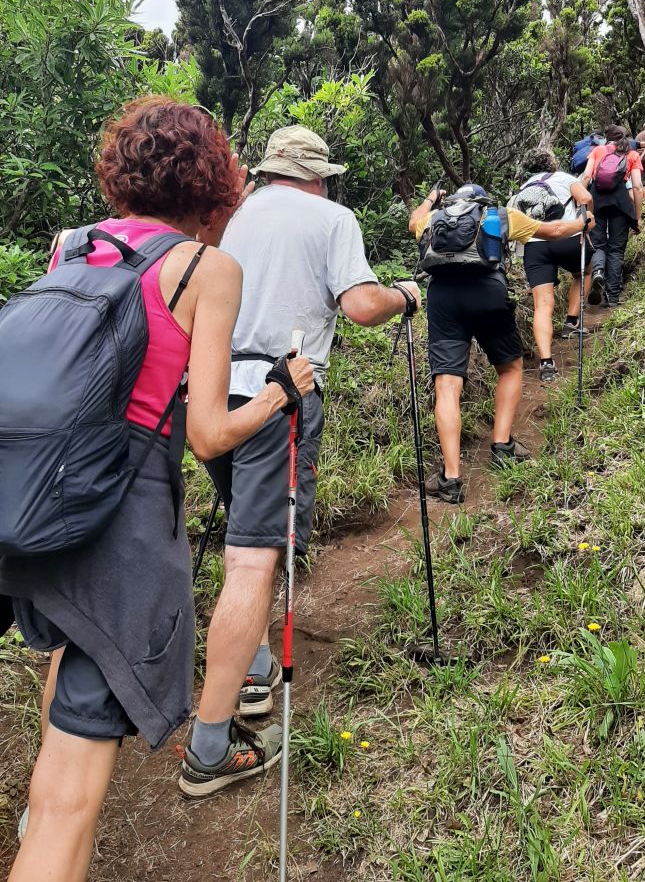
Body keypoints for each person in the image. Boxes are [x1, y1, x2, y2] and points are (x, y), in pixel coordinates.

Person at [0, 98, 316, 882]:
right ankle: (51, 831)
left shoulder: (72, 245)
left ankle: (39, 813)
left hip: (30, 492)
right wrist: (279, 394)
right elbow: (207, 433)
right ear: (212, 181)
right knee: (72, 801)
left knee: (68, 657)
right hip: (117, 526)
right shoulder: (206, 270)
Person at [179, 126, 421, 797]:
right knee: (254, 557)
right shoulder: (331, 217)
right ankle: (210, 743)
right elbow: (361, 306)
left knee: (244, 532)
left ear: (266, 171)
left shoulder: (231, 216)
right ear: (317, 177)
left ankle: (254, 671)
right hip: (279, 396)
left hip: (212, 396)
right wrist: (405, 295)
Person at [408, 183, 594, 503]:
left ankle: (450, 479)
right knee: (510, 368)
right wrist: (582, 223)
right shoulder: (500, 215)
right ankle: (502, 444)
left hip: (443, 299)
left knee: (447, 385)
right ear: (481, 201)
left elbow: (413, 222)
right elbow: (553, 231)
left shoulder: (433, 218)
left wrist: (431, 198)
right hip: (488, 293)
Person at [517, 149, 594, 384]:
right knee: (585, 272)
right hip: (567, 237)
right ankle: (572, 321)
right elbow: (586, 198)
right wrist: (586, 219)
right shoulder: (564, 178)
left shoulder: (524, 187)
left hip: (535, 246)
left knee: (542, 304)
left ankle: (546, 362)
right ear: (552, 163)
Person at [580, 124, 644, 308]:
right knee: (616, 249)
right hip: (620, 203)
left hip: (596, 201)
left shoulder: (597, 150)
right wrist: (637, 216)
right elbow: (638, 187)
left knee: (597, 244)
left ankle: (598, 272)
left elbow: (586, 176)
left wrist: (580, 203)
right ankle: (613, 296)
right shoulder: (632, 154)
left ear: (606, 137)